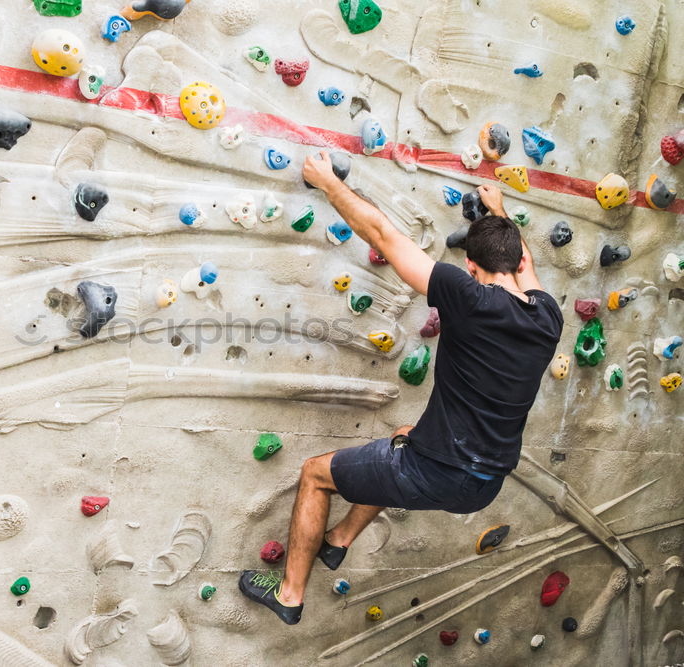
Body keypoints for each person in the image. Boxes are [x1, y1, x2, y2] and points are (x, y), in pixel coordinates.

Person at [238, 153, 563, 625]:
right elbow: (524, 260)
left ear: (471, 267)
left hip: (439, 472)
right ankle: (339, 540)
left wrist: (328, 183)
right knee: (407, 438)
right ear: (515, 264)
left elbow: (384, 236)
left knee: (315, 474)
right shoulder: (547, 316)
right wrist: (500, 214)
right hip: (485, 483)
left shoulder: (465, 295)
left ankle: (289, 595)